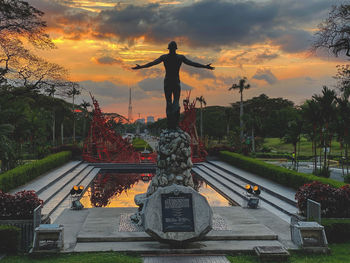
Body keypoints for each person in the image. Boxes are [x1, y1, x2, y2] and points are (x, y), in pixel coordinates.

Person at [132, 41, 214, 129]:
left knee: (169, 102)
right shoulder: (180, 57)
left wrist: (141, 67)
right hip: (175, 81)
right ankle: (174, 124)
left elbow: (152, 63)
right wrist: (205, 66)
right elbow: (193, 64)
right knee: (175, 102)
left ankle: (171, 125)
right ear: (175, 49)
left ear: (169, 49)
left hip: (168, 81)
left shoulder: (164, 57)